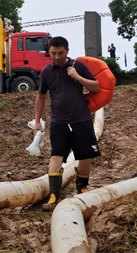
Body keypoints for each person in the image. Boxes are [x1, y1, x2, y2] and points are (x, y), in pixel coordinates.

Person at [32, 36, 101, 211]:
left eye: (60, 53)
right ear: (49, 52)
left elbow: (95, 87)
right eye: (52, 53)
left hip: (81, 119)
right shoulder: (46, 72)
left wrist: (77, 77)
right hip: (58, 121)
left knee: (84, 156)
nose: (56, 57)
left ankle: (82, 187)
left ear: (67, 51)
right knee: (56, 156)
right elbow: (41, 97)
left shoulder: (78, 66)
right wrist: (37, 121)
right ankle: (54, 194)